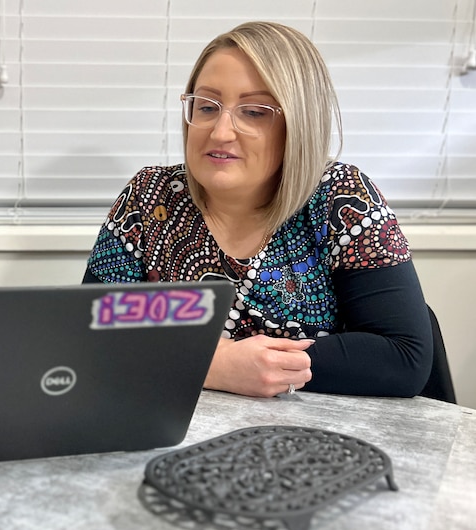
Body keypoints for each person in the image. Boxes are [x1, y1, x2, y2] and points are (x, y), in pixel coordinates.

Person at [83, 21, 432, 398]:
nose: (219, 132)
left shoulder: (342, 197)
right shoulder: (151, 197)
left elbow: (404, 357)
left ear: (299, 124)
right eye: (206, 106)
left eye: (254, 112)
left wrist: (264, 368)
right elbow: (89, 331)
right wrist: (214, 364)